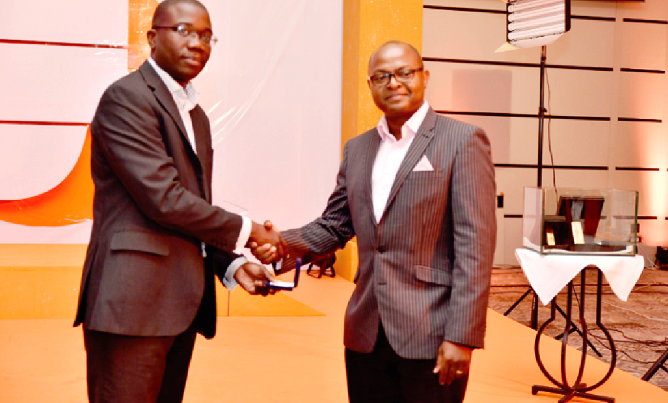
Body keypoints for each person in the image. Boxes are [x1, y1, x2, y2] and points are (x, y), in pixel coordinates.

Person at [255, 41, 496, 403]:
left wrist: (462, 336)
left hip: (431, 332)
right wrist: (280, 244)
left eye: (404, 73)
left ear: (424, 77)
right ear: (370, 86)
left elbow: (474, 246)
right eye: (382, 76)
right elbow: (335, 225)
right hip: (366, 331)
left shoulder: (461, 140)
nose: (394, 83)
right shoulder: (358, 148)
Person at [73, 1, 285, 402]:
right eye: (184, 31)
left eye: (206, 36)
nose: (197, 44)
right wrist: (248, 230)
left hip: (177, 305)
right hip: (132, 307)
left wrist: (232, 264)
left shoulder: (196, 115)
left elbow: (188, 208)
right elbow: (164, 200)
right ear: (153, 37)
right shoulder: (127, 98)